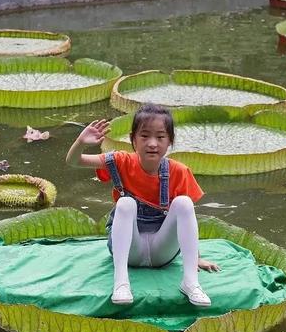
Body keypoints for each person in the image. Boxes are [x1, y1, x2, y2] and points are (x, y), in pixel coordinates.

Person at [66, 103, 220, 306]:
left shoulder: (179, 171)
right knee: (126, 203)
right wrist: (80, 142)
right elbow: (73, 162)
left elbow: (186, 219)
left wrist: (197, 258)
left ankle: (190, 282)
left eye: (160, 137)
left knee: (184, 203)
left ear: (170, 142)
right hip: (131, 250)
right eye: (145, 136)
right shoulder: (121, 161)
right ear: (133, 140)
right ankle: (121, 283)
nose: (152, 143)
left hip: (161, 251)